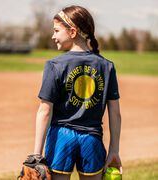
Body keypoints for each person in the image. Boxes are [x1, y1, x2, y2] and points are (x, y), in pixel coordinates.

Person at [33, 5, 122, 180]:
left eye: (57, 30)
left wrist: (36, 154)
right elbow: (115, 113)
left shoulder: (55, 65)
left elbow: (44, 111)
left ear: (72, 32)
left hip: (61, 138)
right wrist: (114, 150)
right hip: (92, 139)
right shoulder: (107, 66)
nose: (53, 36)